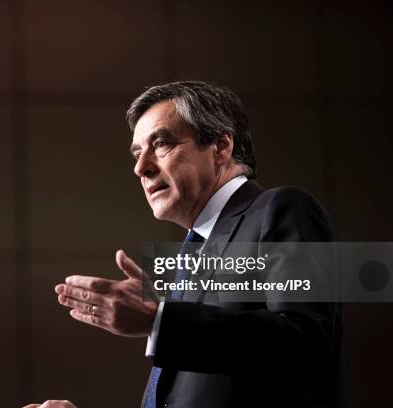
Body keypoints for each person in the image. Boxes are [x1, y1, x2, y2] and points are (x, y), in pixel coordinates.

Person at [25, 81, 345, 407]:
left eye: (161, 144)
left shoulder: (283, 208)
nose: (140, 168)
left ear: (220, 147)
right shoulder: (194, 254)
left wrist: (158, 320)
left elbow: (306, 344)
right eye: (137, 153)